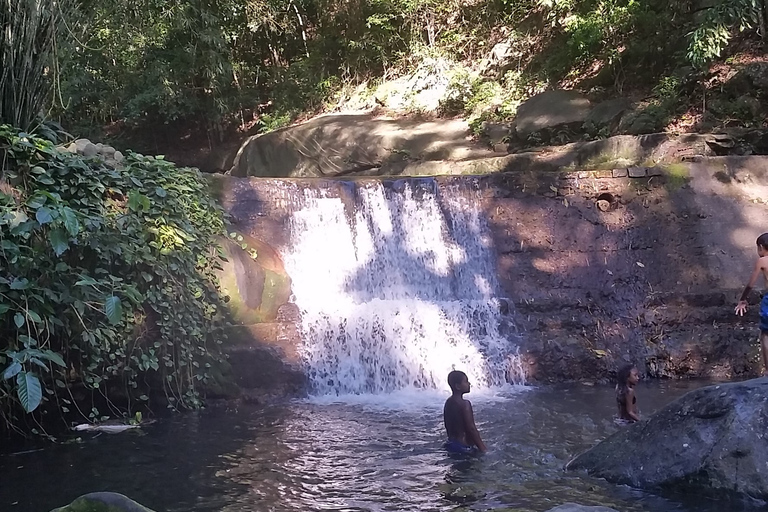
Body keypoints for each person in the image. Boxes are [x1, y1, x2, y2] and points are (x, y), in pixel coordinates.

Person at [735, 233, 768, 375]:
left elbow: (750, 284)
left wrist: (742, 299)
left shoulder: (763, 261)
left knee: (766, 334)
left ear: (761, 247)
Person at [443, 370, 487, 454]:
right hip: (463, 447)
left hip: (450, 444)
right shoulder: (465, 404)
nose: (469, 383)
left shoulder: (448, 402)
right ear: (458, 386)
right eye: (466, 381)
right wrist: (483, 448)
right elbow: (471, 428)